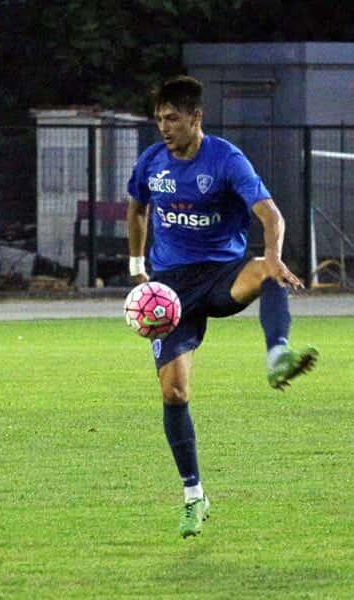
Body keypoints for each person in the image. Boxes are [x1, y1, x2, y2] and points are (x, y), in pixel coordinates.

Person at [127, 76, 318, 538]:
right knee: (174, 394)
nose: (164, 127)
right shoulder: (152, 162)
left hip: (221, 275)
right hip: (171, 291)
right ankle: (194, 496)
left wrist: (274, 256)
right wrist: (137, 267)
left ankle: (278, 355)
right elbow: (136, 209)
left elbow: (270, 214)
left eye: (173, 118)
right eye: (159, 119)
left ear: (196, 117)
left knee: (269, 271)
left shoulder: (226, 159)